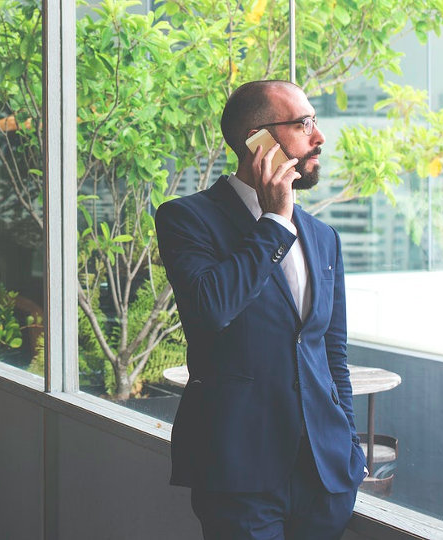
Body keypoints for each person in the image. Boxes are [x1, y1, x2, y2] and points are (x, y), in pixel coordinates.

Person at [155, 80, 367, 539]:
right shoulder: (185, 218)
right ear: (259, 140)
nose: (319, 137)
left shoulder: (324, 237)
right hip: (239, 474)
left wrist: (351, 446)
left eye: (315, 122)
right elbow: (212, 309)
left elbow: (332, 354)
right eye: (303, 124)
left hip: (323, 475)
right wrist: (274, 222)